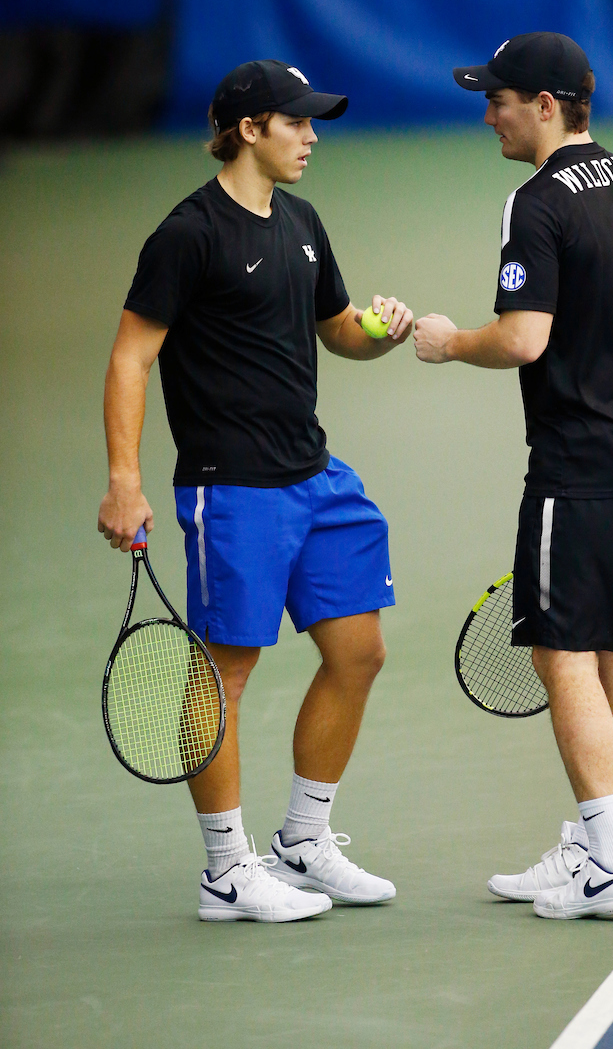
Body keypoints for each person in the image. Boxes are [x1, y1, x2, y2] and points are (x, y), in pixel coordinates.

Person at [98, 59, 413, 923]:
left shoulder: (302, 222)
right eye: (297, 123)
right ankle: (226, 871)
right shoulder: (187, 234)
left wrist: (379, 333)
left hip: (316, 479)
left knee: (359, 652)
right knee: (225, 677)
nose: (312, 137)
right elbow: (131, 357)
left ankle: (303, 841)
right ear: (248, 130)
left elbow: (336, 329)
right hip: (232, 489)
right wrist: (124, 482)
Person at [414, 33, 613, 919]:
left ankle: (611, 868)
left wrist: (450, 341)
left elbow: (524, 337)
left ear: (544, 105)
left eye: (497, 99)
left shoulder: (533, 203)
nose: (487, 114)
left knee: (561, 652)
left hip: (580, 471)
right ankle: (592, 847)